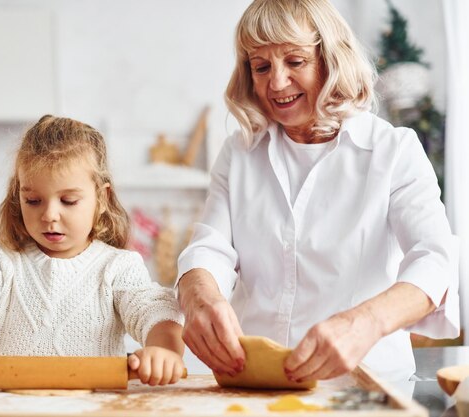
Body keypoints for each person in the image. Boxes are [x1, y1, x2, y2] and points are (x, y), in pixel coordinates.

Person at [177, 0, 459, 382]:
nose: (276, 83)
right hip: (259, 381)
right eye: (261, 66)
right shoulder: (239, 153)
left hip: (369, 382)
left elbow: (435, 259)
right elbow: (210, 248)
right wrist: (199, 297)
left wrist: (366, 321)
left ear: (331, 59)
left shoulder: (393, 151)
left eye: (295, 62)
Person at [0, 115, 185, 387]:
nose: (49, 215)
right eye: (33, 200)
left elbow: (155, 310)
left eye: (68, 200)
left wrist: (164, 353)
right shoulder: (5, 263)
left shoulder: (118, 267)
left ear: (102, 198)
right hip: (8, 407)